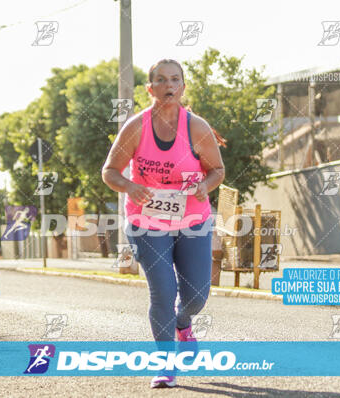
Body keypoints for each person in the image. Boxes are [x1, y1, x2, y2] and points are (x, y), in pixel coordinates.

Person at [102, 59, 225, 388]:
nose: (168, 84)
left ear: (183, 87)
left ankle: (182, 323)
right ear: (150, 88)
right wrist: (130, 186)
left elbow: (217, 170)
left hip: (192, 219)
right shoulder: (136, 127)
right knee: (163, 291)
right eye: (161, 79)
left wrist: (205, 185)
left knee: (197, 294)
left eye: (175, 79)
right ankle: (165, 364)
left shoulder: (196, 127)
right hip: (147, 221)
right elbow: (110, 171)